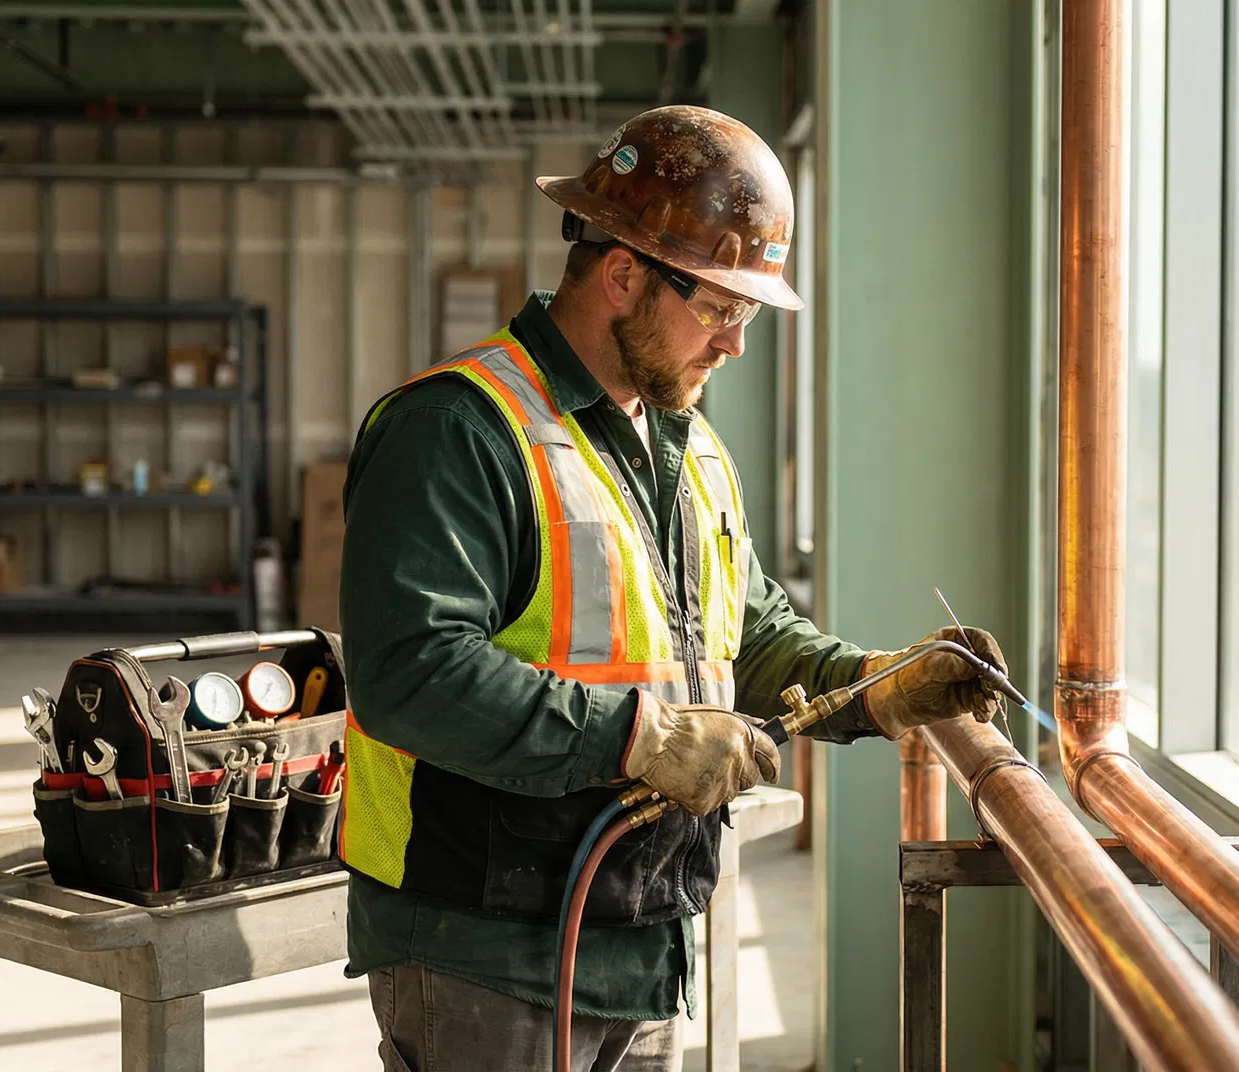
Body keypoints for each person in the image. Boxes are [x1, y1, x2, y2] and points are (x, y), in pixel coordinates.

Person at [336, 104, 1009, 1072]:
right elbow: (409, 673)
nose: (734, 342)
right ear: (622, 275)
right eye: (722, 308)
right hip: (484, 946)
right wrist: (640, 738)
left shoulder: (681, 445)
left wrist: (876, 684)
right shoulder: (460, 429)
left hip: (641, 931)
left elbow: (746, 632)